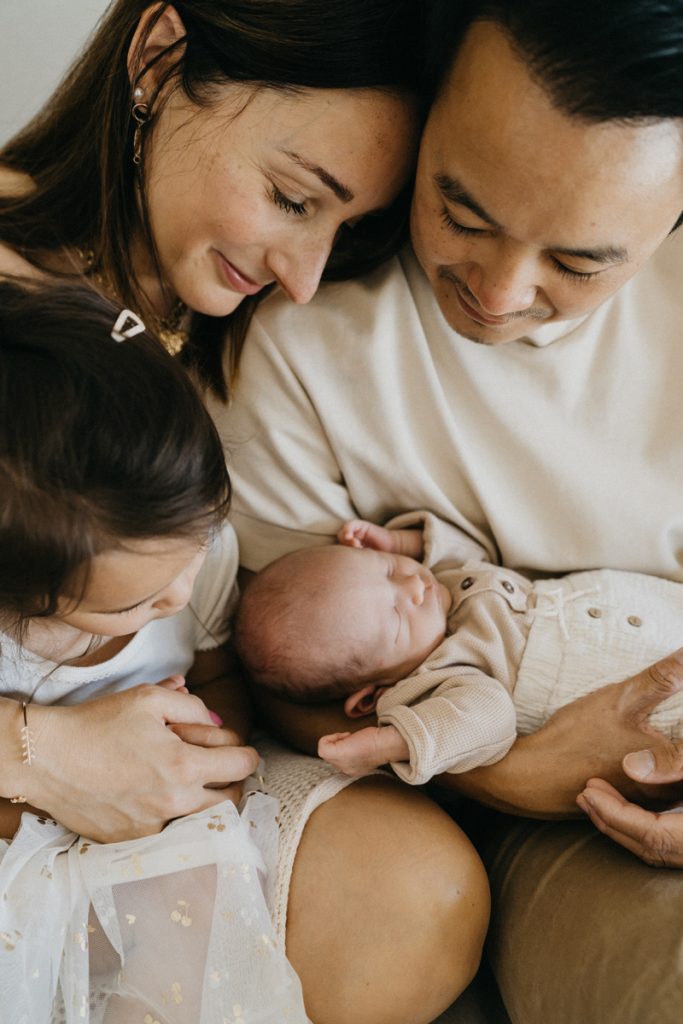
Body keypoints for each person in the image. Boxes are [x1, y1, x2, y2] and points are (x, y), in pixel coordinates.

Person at [0, 4, 486, 1022]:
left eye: (346, 229)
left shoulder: (266, 330)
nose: (304, 276)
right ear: (161, 53)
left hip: (166, 766)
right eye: (293, 197)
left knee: (411, 893)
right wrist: (44, 753)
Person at [214, 0, 683, 1019]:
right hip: (516, 802)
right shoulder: (301, 332)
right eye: (461, 213)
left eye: (578, 262)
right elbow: (294, 678)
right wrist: (516, 775)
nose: (499, 291)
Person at [0, 278, 311, 1022]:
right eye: (129, 605)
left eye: (196, 552)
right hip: (23, 833)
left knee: (198, 897)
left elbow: (216, 668)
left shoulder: (185, 561)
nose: (175, 598)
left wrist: (209, 746)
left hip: (161, 822)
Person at [235, 513, 683, 783]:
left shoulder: (442, 586)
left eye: (388, 568)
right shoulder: (443, 679)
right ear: (371, 695)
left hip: (646, 603)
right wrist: (393, 742)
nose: (414, 585)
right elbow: (488, 720)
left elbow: (475, 550)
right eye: (395, 614)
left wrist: (402, 542)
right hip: (635, 684)